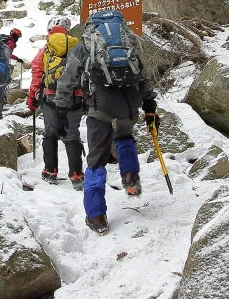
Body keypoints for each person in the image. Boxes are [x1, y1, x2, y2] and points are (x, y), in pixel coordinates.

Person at [54, 13, 157, 235]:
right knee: (124, 137)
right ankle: (130, 177)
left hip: (100, 105)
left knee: (96, 159)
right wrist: (149, 103)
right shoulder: (129, 39)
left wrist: (62, 107)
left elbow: (68, 78)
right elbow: (143, 74)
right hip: (129, 102)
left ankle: (96, 216)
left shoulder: (86, 43)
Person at [27, 16, 85, 189]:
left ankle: (50, 171)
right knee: (72, 134)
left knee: (50, 133)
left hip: (50, 96)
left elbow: (37, 73)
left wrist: (32, 97)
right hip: (74, 96)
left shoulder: (46, 49)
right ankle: (76, 174)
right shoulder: (78, 46)